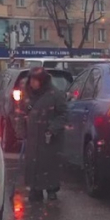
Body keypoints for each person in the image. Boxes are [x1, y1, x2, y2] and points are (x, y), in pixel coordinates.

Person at [14, 67, 68, 202]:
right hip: (32, 136)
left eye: (36, 80)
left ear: (42, 81)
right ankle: (35, 188)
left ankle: (51, 189)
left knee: (49, 163)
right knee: (33, 163)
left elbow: (63, 114)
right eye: (31, 79)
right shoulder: (27, 94)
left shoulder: (55, 94)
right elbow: (20, 113)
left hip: (49, 137)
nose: (32, 83)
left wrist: (53, 128)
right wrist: (21, 131)